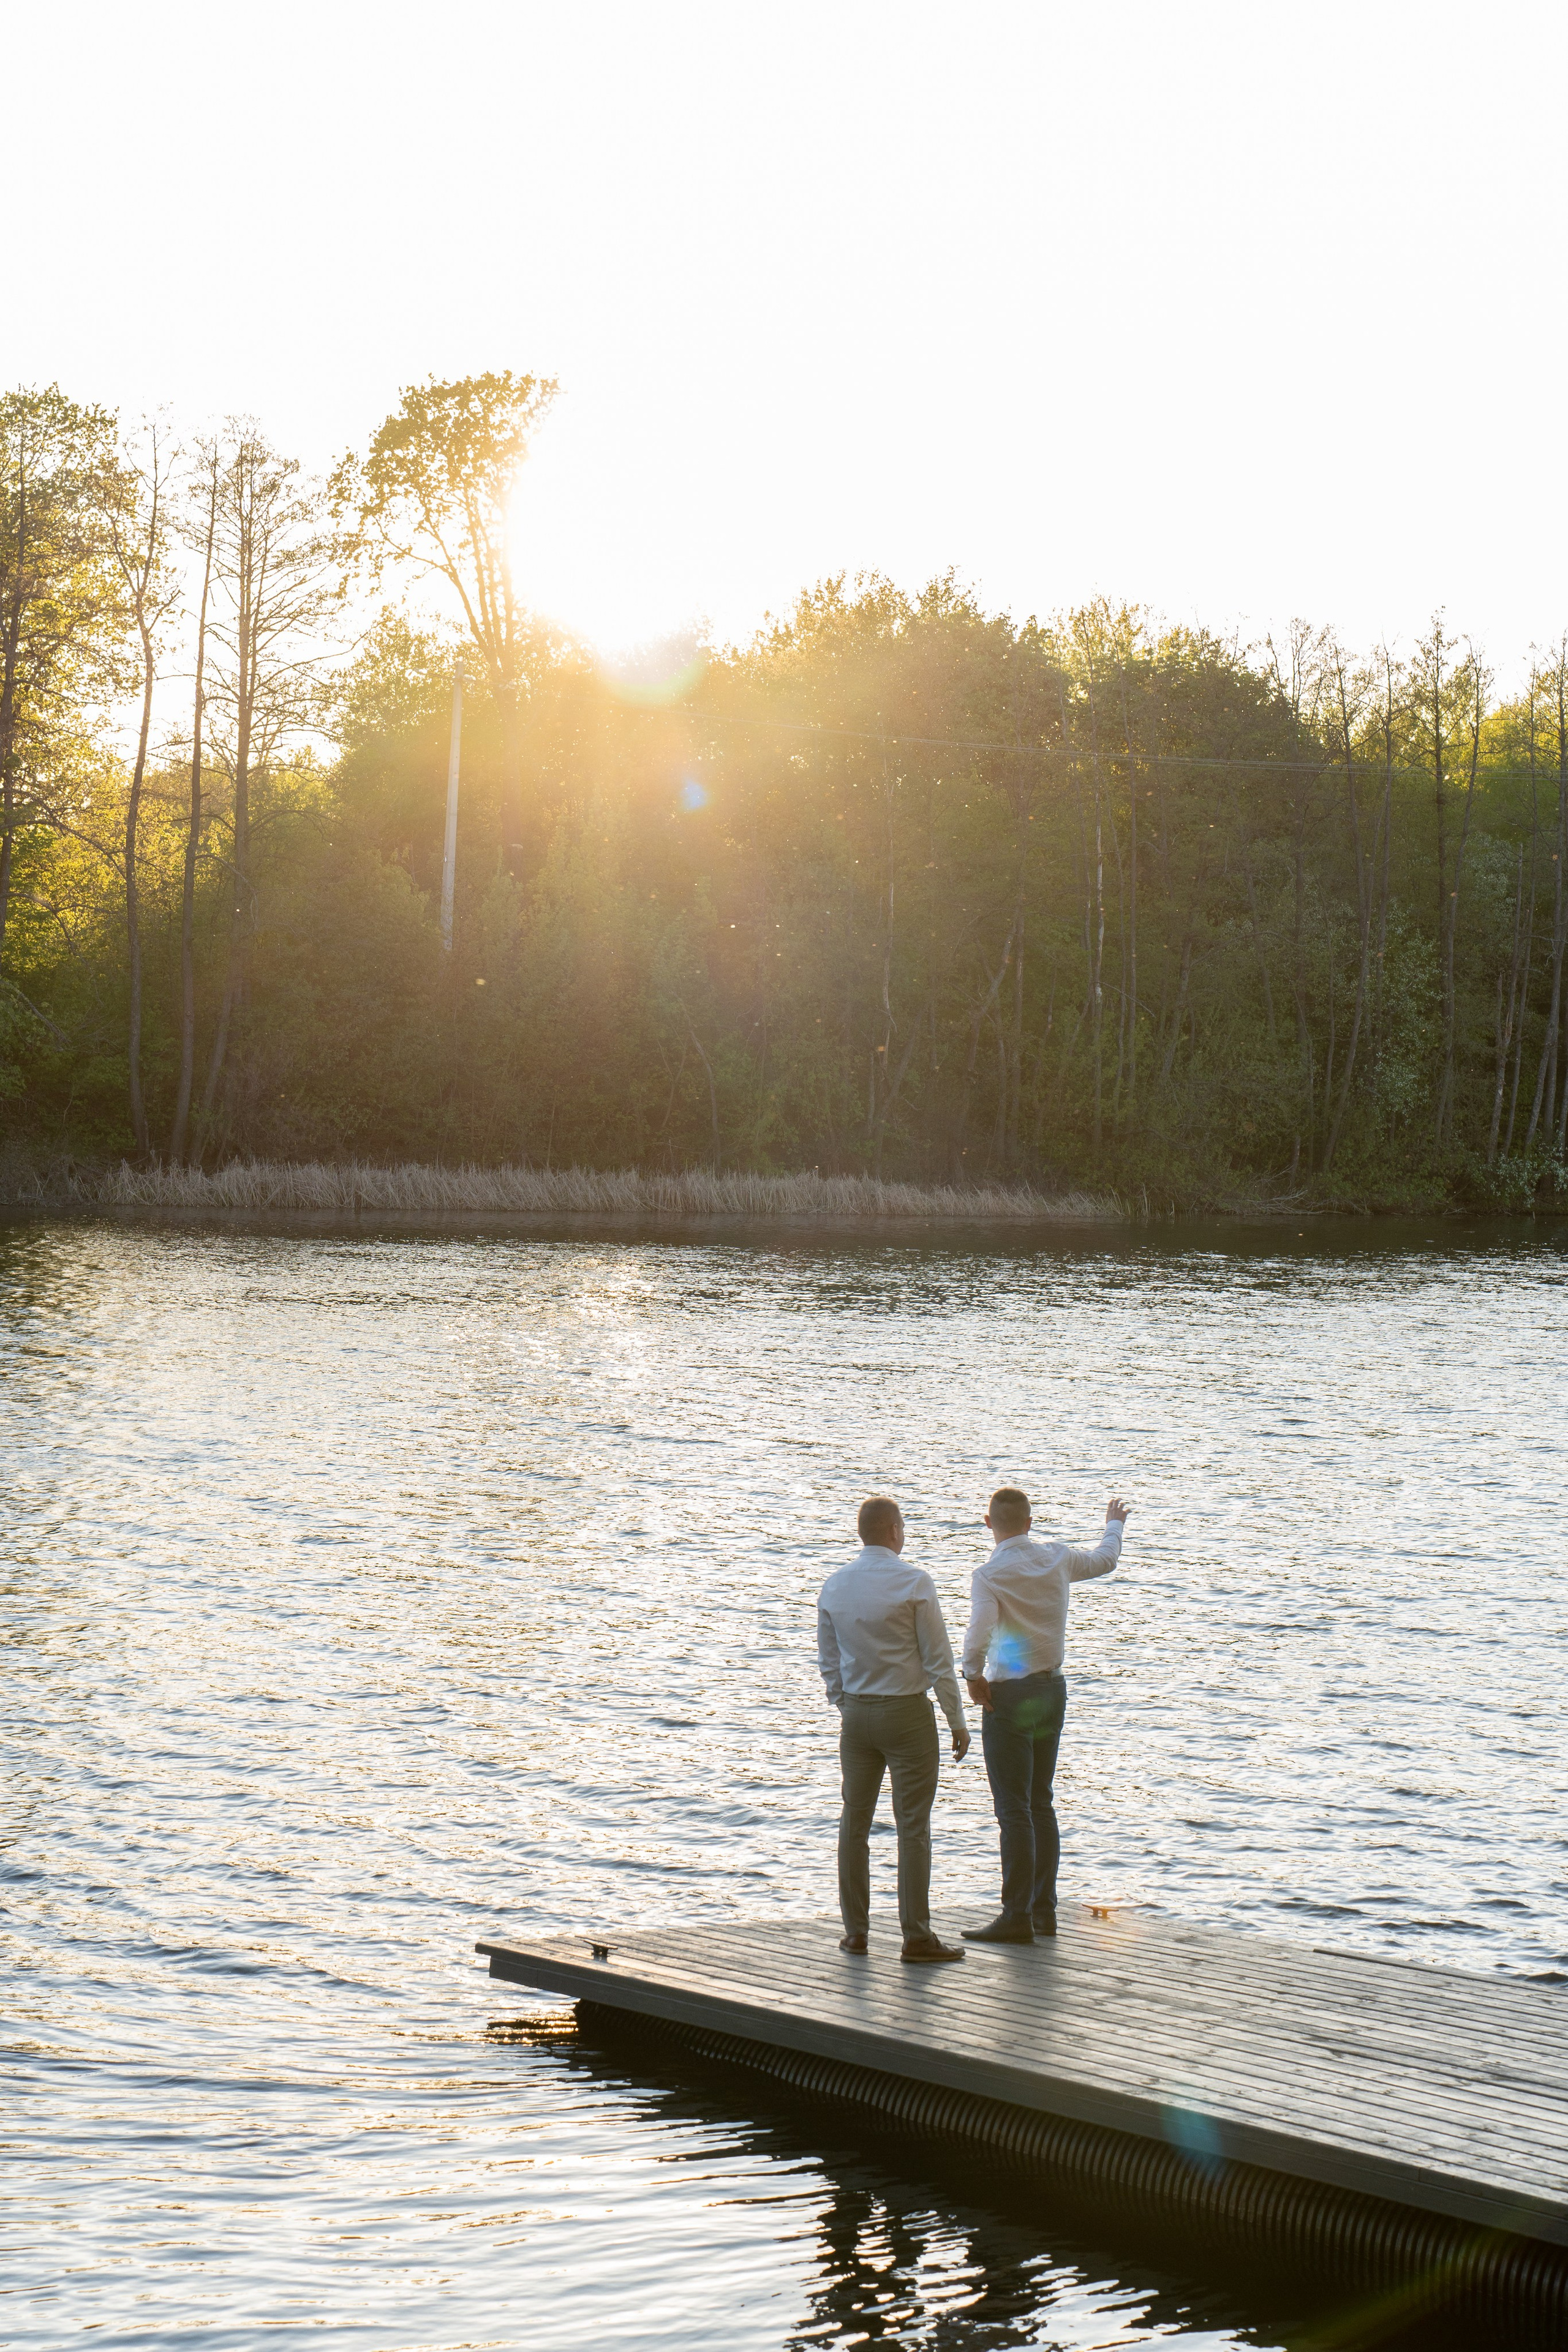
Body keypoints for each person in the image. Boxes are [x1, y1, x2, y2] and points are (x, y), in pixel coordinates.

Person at [960, 1485, 1130, 1945]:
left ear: (988, 1524)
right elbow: (1105, 1559)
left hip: (1010, 1697)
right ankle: (1043, 1912)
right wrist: (1114, 1523)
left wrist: (971, 1675)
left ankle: (1016, 1915)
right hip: (1053, 1690)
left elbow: (978, 1631)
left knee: (1014, 1808)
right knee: (1040, 1801)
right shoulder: (1056, 1557)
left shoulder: (989, 1574)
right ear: (1030, 1523)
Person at [816, 1494, 971, 1962]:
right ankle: (916, 1936)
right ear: (892, 1531)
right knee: (913, 1827)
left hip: (857, 1717)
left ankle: (856, 1932)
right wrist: (956, 1720)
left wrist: (844, 1703)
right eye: (902, 1525)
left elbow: (828, 1662)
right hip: (907, 1715)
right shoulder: (915, 1582)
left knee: (854, 1823)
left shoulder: (835, 1585)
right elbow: (939, 1661)